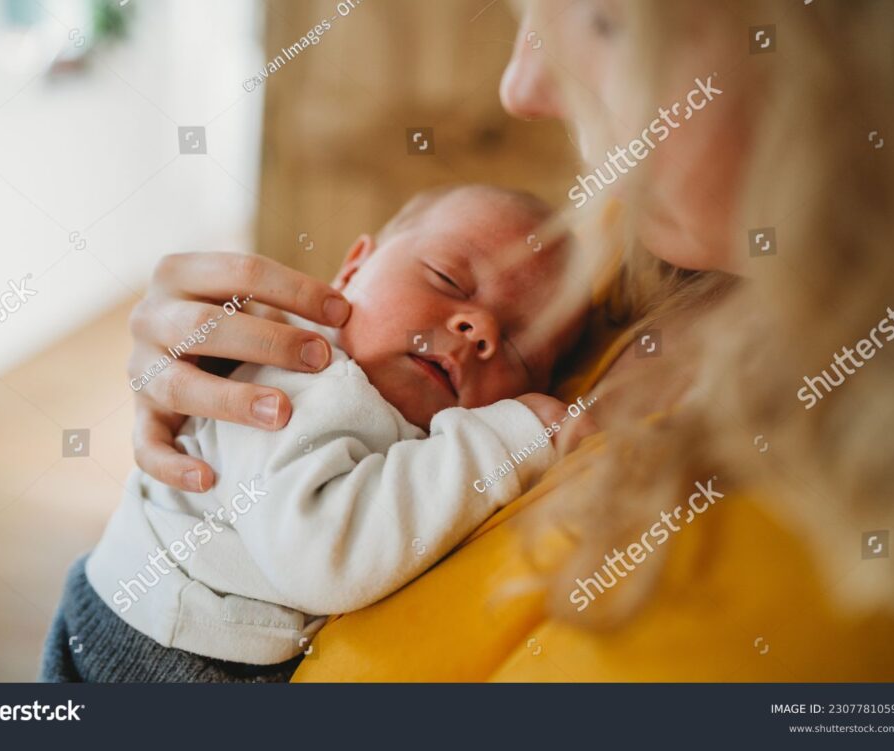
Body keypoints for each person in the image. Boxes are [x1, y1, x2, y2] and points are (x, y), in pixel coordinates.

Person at [125, 0, 894, 681]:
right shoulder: (639, 246)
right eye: (447, 278)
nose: (521, 87)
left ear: (841, 69)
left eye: (608, 23)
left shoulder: (829, 551)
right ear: (351, 266)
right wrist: (195, 346)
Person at [41, 185, 595, 682]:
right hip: (162, 649)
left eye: (523, 346)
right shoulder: (313, 379)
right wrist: (513, 436)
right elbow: (326, 555)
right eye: (448, 278)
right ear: (353, 269)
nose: (479, 330)